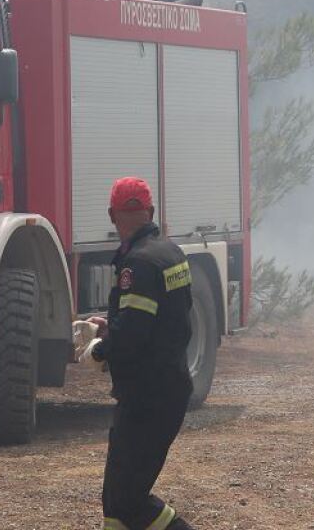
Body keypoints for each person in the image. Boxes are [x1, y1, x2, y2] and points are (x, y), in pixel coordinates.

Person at [76, 176, 196, 530]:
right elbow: (157, 321)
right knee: (115, 500)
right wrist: (113, 324)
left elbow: (134, 338)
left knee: (128, 501)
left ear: (112, 216)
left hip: (148, 397)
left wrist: (100, 349)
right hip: (163, 390)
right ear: (152, 211)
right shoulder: (170, 253)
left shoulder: (137, 265)